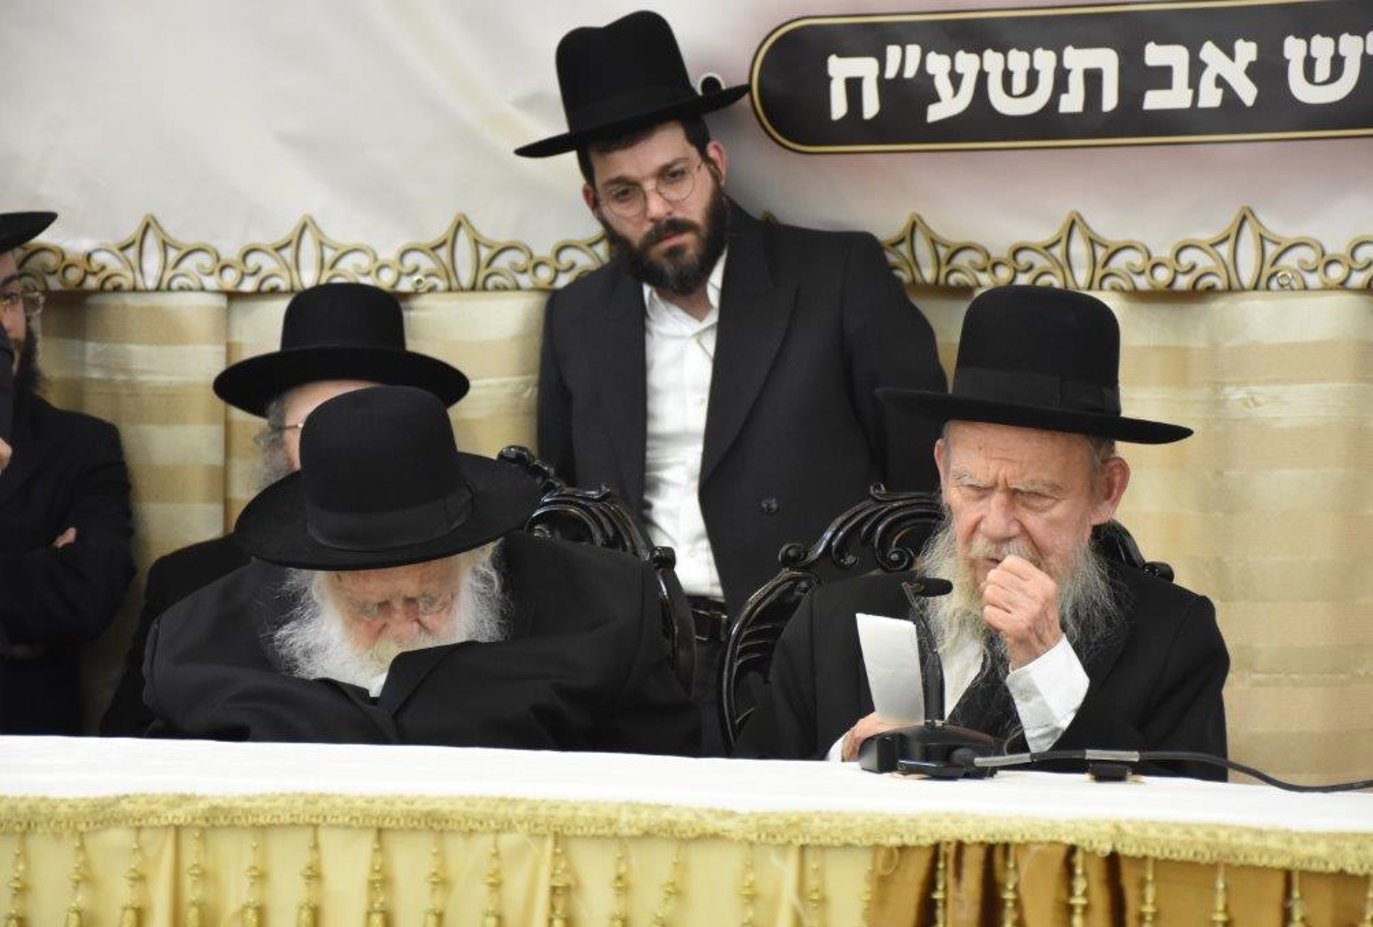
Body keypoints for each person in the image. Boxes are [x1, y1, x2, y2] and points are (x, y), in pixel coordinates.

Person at [518, 12, 946, 751]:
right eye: (625, 193)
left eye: (673, 176)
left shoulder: (838, 278)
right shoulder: (576, 319)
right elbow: (563, 514)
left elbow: (925, 489)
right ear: (595, 204)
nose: (658, 210)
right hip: (639, 672)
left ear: (714, 162)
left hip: (812, 659)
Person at [735, 286, 1230, 781]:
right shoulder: (830, 623)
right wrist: (845, 759)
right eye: (972, 487)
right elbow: (746, 798)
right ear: (942, 469)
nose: (996, 525)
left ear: (1106, 490)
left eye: (1034, 495)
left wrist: (1046, 663)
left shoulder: (1175, 640)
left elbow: (1184, 819)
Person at [143, 385, 699, 753]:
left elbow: (670, 798)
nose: (404, 627)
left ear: (477, 558)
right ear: (317, 580)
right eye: (372, 607)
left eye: (428, 599)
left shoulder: (607, 611)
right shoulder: (192, 648)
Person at [101, 281, 469, 735]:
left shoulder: (479, 577)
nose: (350, 449)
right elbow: (131, 747)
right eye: (318, 425)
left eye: (371, 421)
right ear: (277, 445)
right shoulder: (190, 585)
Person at [0, 211, 135, 734]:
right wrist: (35, 574)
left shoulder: (81, 446)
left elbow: (87, 600)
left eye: (9, 298)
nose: (5, 326)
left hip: (28, 751)